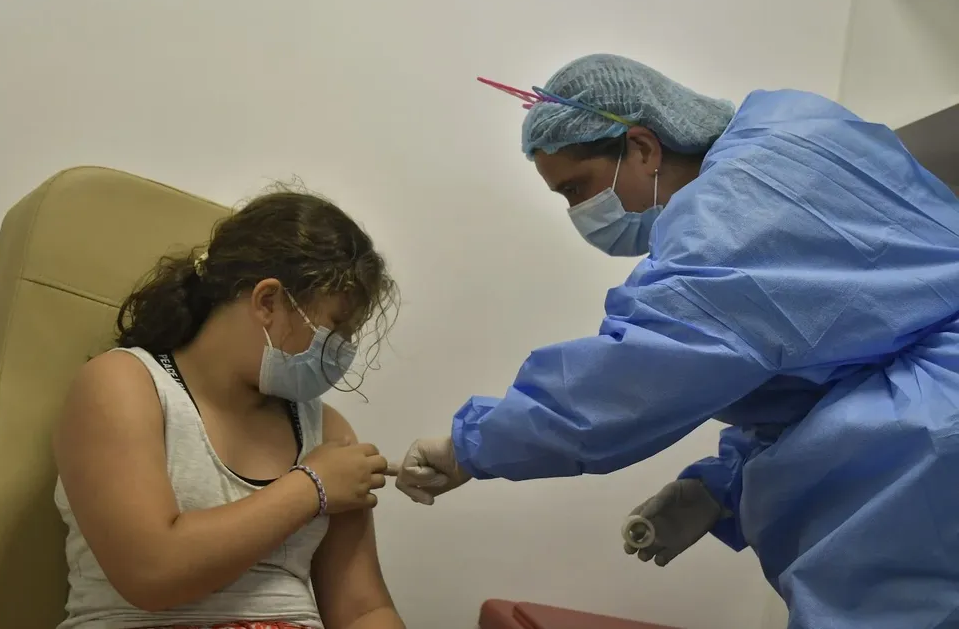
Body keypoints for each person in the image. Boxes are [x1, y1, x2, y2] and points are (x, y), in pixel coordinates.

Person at [392, 54, 959, 628]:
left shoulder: (734, 212)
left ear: (642, 147)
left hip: (931, 445)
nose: (580, 213)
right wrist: (724, 484)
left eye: (578, 189)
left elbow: (637, 374)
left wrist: (472, 445)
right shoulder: (795, 123)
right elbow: (835, 359)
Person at [53, 187, 405, 629]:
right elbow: (152, 574)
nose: (341, 351)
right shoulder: (123, 386)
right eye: (335, 328)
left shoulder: (328, 432)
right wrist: (311, 487)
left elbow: (363, 610)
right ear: (268, 301)